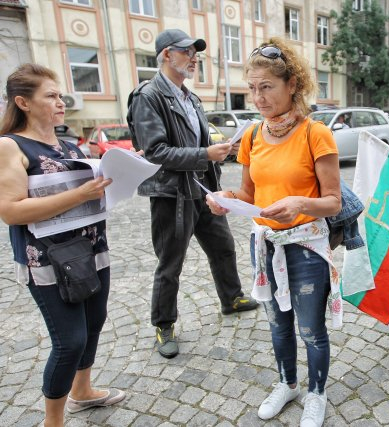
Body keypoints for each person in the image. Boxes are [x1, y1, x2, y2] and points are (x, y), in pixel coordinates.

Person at [207, 38, 341, 427]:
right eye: (252, 87)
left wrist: (300, 203)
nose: (258, 97)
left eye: (266, 87)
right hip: (264, 245)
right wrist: (225, 198)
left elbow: (332, 201)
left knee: (310, 329)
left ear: (292, 85)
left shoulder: (315, 133)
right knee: (276, 322)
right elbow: (249, 193)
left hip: (305, 247)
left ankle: (317, 392)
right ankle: (287, 383)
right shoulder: (251, 136)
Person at [0, 64, 125, 426]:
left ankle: (82, 393)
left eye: (60, 95)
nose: (61, 102)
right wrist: (80, 194)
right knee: (69, 341)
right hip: (48, 260)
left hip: (91, 248)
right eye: (51, 96)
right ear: (23, 102)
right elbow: (10, 211)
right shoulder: (11, 146)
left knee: (95, 321)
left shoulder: (69, 144)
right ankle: (52, 422)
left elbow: (89, 194)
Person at [127, 29, 258, 359]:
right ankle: (164, 325)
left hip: (202, 190)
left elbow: (199, 141)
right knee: (170, 264)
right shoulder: (148, 95)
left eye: (195, 52)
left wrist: (218, 148)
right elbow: (155, 151)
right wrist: (204, 155)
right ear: (167, 55)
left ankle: (231, 299)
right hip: (171, 195)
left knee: (224, 247)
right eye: (187, 51)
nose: (194, 57)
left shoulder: (190, 97)